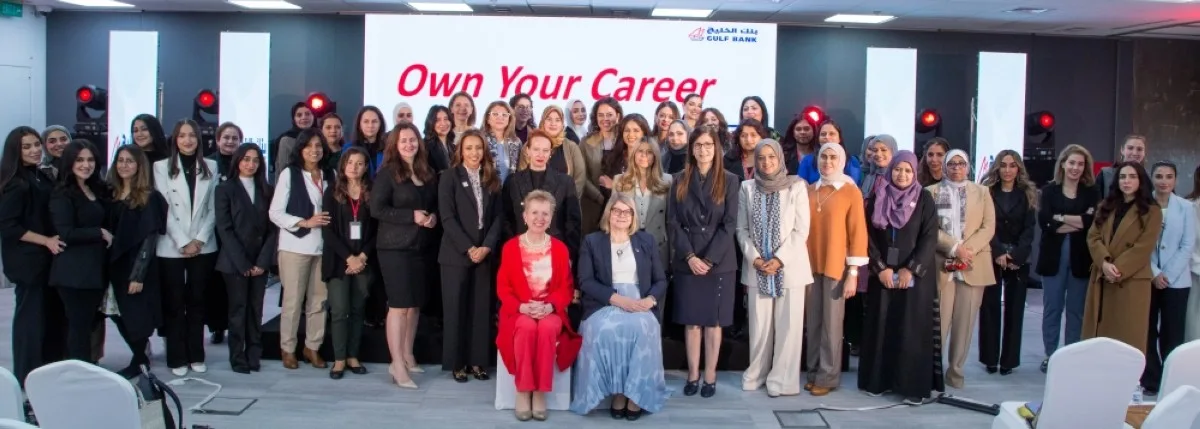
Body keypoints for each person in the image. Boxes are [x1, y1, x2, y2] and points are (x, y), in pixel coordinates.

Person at [571, 194, 670, 419]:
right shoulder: (592, 241)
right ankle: (617, 392)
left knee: (644, 329)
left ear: (633, 216)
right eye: (617, 210)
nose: (622, 215)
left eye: (627, 212)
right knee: (604, 330)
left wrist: (650, 300)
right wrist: (617, 299)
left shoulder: (646, 241)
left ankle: (636, 396)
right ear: (608, 213)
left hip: (639, 299)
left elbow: (661, 280)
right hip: (603, 301)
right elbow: (585, 281)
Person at [858, 150, 941, 402]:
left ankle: (910, 387)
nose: (902, 174)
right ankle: (879, 381)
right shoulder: (877, 197)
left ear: (915, 172)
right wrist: (880, 267)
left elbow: (930, 237)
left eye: (907, 170)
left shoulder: (925, 199)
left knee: (911, 329)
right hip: (882, 276)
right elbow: (868, 238)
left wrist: (911, 269)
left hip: (914, 279)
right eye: (897, 169)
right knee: (881, 326)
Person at [496, 190, 581, 422]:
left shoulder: (560, 249)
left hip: (550, 311)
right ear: (524, 216)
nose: (539, 218)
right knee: (525, 328)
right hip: (519, 311)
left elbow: (566, 287)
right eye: (534, 212)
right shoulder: (511, 247)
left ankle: (540, 391)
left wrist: (551, 306)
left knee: (545, 329)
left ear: (551, 218)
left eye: (545, 214)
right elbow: (503, 288)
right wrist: (521, 307)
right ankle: (523, 390)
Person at [735, 139, 811, 398]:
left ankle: (782, 381)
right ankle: (756, 374)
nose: (766, 162)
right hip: (757, 268)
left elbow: (802, 229)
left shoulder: (797, 187)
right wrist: (755, 258)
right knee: (759, 327)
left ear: (780, 158)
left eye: (771, 157)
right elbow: (741, 229)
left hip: (790, 269)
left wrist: (779, 259)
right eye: (761, 158)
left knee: (789, 328)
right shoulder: (747, 188)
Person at [669, 127, 739, 399]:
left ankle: (710, 375)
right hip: (688, 259)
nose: (703, 150)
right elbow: (673, 223)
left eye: (708, 145)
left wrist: (708, 259)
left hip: (718, 261)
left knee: (713, 322)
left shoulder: (730, 180)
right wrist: (690, 257)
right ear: (691, 149)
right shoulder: (679, 179)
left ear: (717, 148)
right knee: (692, 323)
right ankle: (693, 374)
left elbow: (730, 223)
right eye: (698, 145)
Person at [371, 123, 439, 388]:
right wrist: (411, 216)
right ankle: (396, 364)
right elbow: (377, 209)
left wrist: (431, 217)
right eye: (403, 141)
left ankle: (408, 355)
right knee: (399, 306)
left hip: (421, 247)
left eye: (412, 140)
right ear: (395, 145)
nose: (409, 145)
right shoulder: (387, 173)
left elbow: (431, 205)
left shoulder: (427, 172)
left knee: (413, 305)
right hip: (394, 248)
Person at [0, 127, 66, 386]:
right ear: (16, 151)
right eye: (27, 147)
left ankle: (43, 375)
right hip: (28, 262)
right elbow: (7, 226)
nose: (35, 150)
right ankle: (25, 378)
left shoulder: (38, 176)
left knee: (46, 319)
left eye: (36, 144)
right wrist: (45, 240)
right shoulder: (15, 183)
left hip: (44, 261)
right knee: (30, 322)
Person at [155, 120, 220, 376]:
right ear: (175, 139)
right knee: (174, 303)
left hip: (203, 245)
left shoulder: (211, 166)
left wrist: (199, 240)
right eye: (182, 136)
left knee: (197, 302)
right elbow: (165, 208)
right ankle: (176, 357)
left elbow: (213, 208)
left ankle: (196, 353)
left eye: (192, 135)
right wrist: (183, 241)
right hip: (172, 245)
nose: (187, 140)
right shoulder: (160, 167)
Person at [926, 149, 995, 389]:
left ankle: (955, 374)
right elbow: (929, 228)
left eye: (961, 163)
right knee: (939, 321)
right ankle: (933, 374)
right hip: (942, 264)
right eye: (952, 163)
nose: (956, 168)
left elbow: (988, 227)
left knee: (964, 324)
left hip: (973, 264)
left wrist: (968, 250)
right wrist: (954, 247)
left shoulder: (982, 192)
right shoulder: (930, 192)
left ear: (968, 166)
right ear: (945, 167)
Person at [438, 129, 502, 382]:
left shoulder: (491, 178)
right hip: (456, 254)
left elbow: (498, 217)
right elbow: (447, 217)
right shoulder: (449, 177)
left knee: (480, 310)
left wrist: (486, 246)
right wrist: (469, 248)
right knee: (456, 310)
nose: (474, 153)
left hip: (484, 254)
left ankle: (478, 362)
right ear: (460, 151)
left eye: (478, 148)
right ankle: (457, 363)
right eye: (469, 148)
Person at [804, 142, 868, 396]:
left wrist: (853, 272)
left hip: (836, 267)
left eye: (832, 157)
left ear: (841, 160)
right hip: (809, 266)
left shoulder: (850, 191)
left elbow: (858, 234)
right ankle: (812, 372)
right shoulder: (809, 190)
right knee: (814, 323)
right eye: (823, 157)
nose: (827, 162)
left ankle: (828, 377)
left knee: (832, 325)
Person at [269, 128, 333, 371]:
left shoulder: (330, 174)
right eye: (309, 146)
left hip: (323, 247)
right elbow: (275, 213)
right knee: (293, 301)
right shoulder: (290, 174)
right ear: (300, 149)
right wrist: (304, 222)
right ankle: (288, 348)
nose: (314, 150)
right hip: (295, 246)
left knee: (319, 301)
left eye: (318, 146)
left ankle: (312, 347)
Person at [1083, 161, 1162, 355]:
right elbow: (1093, 236)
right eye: (1122, 177)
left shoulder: (1152, 210)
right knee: (1100, 337)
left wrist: (1117, 269)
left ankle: (1130, 381)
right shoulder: (1106, 205)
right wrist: (1104, 262)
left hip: (1130, 280)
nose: (1126, 181)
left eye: (1132, 177)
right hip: (1102, 276)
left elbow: (1143, 247)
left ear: (1141, 181)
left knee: (1128, 337)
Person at [104, 145, 168, 378]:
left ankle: (139, 360)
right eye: (120, 160)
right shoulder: (110, 195)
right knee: (116, 313)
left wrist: (137, 275)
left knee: (137, 316)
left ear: (140, 165)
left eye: (130, 161)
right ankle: (139, 357)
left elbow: (149, 240)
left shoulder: (150, 198)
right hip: (114, 265)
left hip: (137, 267)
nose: (124, 165)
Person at [1035, 144, 1099, 372]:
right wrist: (1078, 221)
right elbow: (1046, 223)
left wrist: (1060, 217)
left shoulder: (1092, 192)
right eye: (1071, 162)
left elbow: (1092, 223)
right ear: (1063, 163)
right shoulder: (1049, 191)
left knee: (1076, 310)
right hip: (1054, 257)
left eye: (1080, 164)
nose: (1075, 167)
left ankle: (1072, 355)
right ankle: (1051, 355)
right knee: (1052, 308)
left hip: (1081, 257)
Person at [214, 143, 276, 374]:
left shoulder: (267, 190)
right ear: (237, 161)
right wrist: (243, 264)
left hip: (260, 260)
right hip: (233, 262)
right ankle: (237, 356)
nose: (250, 164)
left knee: (255, 309)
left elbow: (272, 229)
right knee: (238, 310)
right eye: (246, 159)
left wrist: (261, 262)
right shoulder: (225, 189)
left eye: (255, 160)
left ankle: (254, 354)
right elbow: (225, 229)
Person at [49, 140, 110, 362]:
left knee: (87, 325)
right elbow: (66, 232)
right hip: (73, 273)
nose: (86, 164)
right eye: (80, 160)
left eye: (90, 159)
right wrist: (99, 233)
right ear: (70, 162)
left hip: (93, 271)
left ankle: (84, 369)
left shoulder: (95, 188)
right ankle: (78, 375)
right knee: (78, 327)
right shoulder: (63, 193)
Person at [977, 150, 1036, 375]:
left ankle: (1009, 361)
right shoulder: (987, 192)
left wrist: (1016, 256)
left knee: (1014, 309)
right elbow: (985, 225)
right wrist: (999, 252)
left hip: (1019, 258)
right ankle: (990, 359)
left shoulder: (1028, 193)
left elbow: (1030, 229)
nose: (1008, 170)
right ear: (997, 168)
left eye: (1012, 165)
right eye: (1003, 165)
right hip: (992, 253)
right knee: (990, 308)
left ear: (1018, 168)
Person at [322, 146, 377, 379]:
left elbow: (377, 229)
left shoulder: (372, 192)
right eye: (350, 162)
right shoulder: (332, 192)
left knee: (357, 310)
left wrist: (362, 256)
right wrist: (349, 257)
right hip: (339, 261)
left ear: (366, 167)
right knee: (339, 310)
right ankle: (339, 358)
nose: (354, 167)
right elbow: (328, 231)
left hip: (364, 261)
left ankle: (353, 356)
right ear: (343, 165)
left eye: (360, 163)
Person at [1141, 161, 1194, 395]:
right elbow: (1139, 245)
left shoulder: (1186, 207)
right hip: (1146, 278)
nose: (1164, 181)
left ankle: (1172, 379)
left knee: (1173, 332)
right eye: (1159, 176)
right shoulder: (1142, 205)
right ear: (1152, 178)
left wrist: (1168, 275)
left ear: (1176, 180)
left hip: (1177, 281)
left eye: (1169, 176)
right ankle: (1151, 379)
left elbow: (1187, 244)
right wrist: (1154, 273)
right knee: (1148, 330)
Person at [502, 130, 582, 260]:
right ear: (527, 150)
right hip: (520, 250)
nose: (540, 154)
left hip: (555, 251)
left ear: (551, 153)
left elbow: (573, 222)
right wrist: (513, 249)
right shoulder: (512, 181)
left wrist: (570, 255)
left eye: (545, 150)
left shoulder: (565, 182)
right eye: (536, 149)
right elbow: (506, 219)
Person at [1097, 134, 1148, 200]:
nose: (1135, 153)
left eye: (1139, 149)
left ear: (1144, 153)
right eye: (1130, 148)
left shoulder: (1148, 177)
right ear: (1122, 150)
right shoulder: (1105, 174)